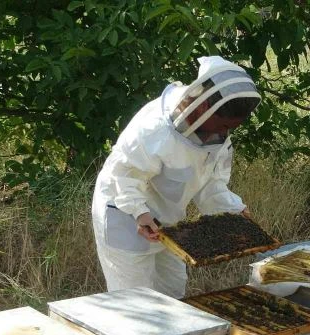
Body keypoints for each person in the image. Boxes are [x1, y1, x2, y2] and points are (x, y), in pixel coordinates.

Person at [92, 56, 261, 298]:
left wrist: (234, 210)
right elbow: (124, 177)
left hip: (170, 222)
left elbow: (211, 184)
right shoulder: (154, 130)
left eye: (231, 128)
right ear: (203, 107)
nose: (226, 133)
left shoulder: (216, 137)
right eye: (224, 125)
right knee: (134, 301)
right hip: (125, 215)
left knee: (173, 294)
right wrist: (140, 213)